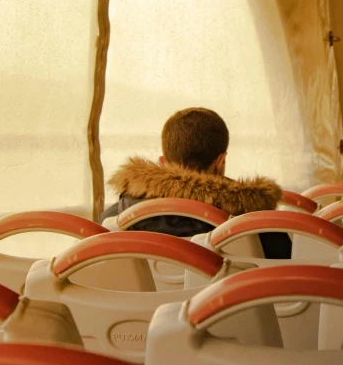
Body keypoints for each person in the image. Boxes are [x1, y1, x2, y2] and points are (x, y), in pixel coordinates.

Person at [99, 107, 291, 258]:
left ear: (163, 162)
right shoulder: (259, 225)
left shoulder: (114, 219)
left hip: (147, 308)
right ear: (220, 162)